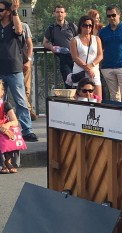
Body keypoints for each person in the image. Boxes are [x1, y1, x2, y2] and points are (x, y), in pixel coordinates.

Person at [0, 0, 38, 142]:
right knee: (1, 102)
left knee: (20, 101)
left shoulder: (15, 25)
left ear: (8, 12)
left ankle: (27, 130)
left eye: (1, 10)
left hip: (14, 68)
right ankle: (4, 128)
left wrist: (15, 10)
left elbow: (19, 30)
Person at [43, 5, 77, 89]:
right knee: (69, 85)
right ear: (54, 13)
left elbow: (80, 39)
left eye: (62, 12)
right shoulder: (51, 28)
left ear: (65, 14)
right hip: (64, 59)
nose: (59, 14)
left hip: (76, 58)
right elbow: (45, 43)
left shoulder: (72, 26)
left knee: (79, 85)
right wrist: (51, 47)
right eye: (57, 12)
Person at [70, 16, 103, 98]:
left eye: (90, 25)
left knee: (97, 98)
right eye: (85, 25)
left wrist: (91, 66)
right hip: (80, 72)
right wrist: (87, 69)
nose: (88, 27)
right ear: (80, 26)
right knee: (80, 99)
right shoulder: (74, 40)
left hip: (94, 72)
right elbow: (75, 57)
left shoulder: (97, 39)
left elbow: (100, 55)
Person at [0, 80, 23, 174]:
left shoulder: (5, 104)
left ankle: (9, 160)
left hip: (4, 126)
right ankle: (2, 163)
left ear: (2, 92)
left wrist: (7, 125)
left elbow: (15, 121)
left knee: (14, 132)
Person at [22, 22, 36, 121]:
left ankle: (28, 111)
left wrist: (29, 60)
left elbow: (30, 44)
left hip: (24, 61)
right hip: (8, 63)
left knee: (26, 88)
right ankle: (28, 110)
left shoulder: (24, 26)